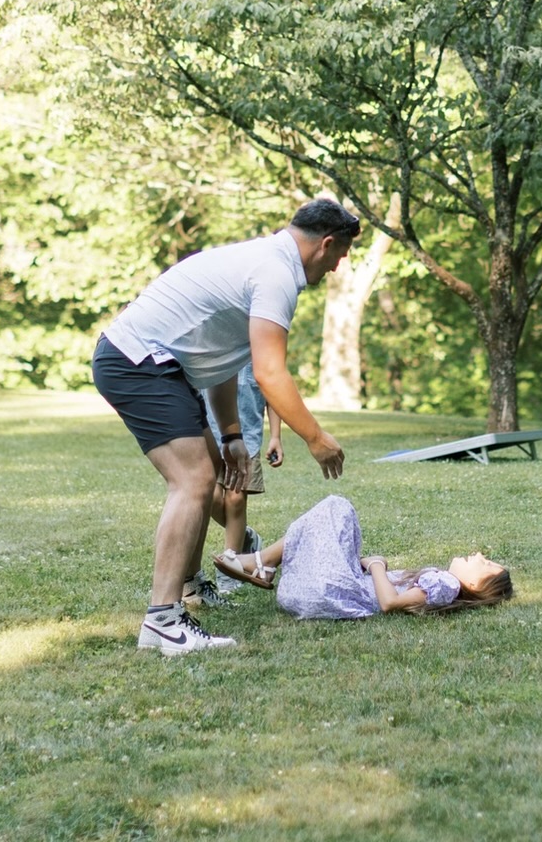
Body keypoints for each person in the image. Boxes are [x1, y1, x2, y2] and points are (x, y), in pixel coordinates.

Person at [94, 198, 359, 656]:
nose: (338, 267)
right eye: (341, 256)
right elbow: (270, 373)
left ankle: (191, 587)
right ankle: (163, 621)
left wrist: (232, 435)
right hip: (138, 361)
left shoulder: (264, 261)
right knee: (193, 480)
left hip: (158, 364)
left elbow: (220, 360)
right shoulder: (276, 275)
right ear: (327, 243)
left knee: (210, 471)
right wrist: (316, 438)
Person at [215, 495, 513, 619]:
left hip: (332, 593)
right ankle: (263, 563)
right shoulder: (443, 586)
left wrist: (377, 565)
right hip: (313, 595)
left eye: (485, 563)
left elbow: (389, 603)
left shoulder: (447, 584)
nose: (478, 554)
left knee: (337, 507)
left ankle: (263, 562)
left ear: (475, 584)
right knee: (323, 521)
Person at [207, 363, 283, 596]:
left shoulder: (261, 350)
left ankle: (231, 564)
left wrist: (276, 437)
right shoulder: (214, 343)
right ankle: (246, 537)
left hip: (247, 439)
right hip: (209, 434)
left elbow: (274, 392)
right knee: (209, 497)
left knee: (236, 499)